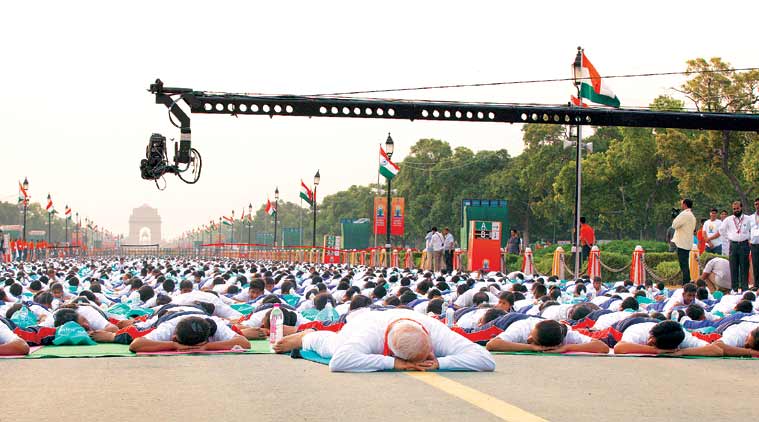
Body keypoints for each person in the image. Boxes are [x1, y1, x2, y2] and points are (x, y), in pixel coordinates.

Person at [274, 308, 495, 372]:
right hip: (364, 319)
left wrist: (440, 362)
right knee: (333, 346)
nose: (428, 359)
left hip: (403, 317)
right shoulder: (368, 333)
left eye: (429, 354)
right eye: (426, 358)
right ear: (390, 350)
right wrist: (394, 364)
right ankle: (307, 336)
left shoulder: (435, 331)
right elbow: (339, 362)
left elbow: (486, 359)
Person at [484, 317, 609, 354]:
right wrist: (531, 347)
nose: (528, 339)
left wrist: (567, 348)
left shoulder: (566, 335)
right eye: (531, 336)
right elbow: (492, 344)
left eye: (533, 341)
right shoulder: (523, 328)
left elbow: (602, 347)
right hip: (504, 321)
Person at [613, 320, 723, 357]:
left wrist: (682, 352)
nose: (649, 341)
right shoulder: (638, 331)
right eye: (651, 338)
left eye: (653, 344)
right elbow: (619, 348)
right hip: (626, 323)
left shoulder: (682, 337)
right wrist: (656, 350)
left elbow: (716, 350)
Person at [719, 201, 753, 292]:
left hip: (744, 244)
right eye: (734, 209)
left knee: (744, 267)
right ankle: (734, 288)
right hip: (733, 245)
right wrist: (728, 238)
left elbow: (752, 229)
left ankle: (745, 288)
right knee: (733, 267)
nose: (736, 210)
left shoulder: (748, 219)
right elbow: (721, 230)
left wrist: (749, 239)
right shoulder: (728, 219)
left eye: (737, 208)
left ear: (741, 208)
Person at [671, 198, 696, 284]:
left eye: (682, 204)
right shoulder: (692, 215)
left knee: (683, 264)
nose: (681, 206)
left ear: (685, 205)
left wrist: (675, 217)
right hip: (687, 242)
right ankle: (687, 281)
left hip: (682, 242)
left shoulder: (684, 214)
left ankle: (686, 282)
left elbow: (674, 225)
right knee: (685, 263)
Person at [750, 198, 759, 289]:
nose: (757, 206)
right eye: (756, 204)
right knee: (756, 265)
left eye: (758, 204)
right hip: (754, 244)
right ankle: (756, 285)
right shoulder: (751, 217)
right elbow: (748, 230)